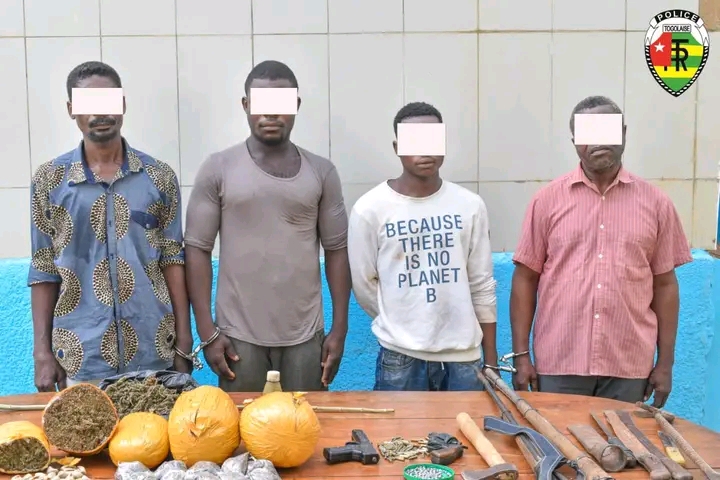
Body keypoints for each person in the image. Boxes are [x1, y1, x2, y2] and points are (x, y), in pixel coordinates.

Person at [510, 95, 692, 407]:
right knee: (558, 438)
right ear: (574, 141)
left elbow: (665, 285)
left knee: (623, 440)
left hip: (629, 363)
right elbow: (525, 279)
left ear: (623, 133)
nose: (597, 141)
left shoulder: (657, 204)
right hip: (560, 360)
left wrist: (666, 364)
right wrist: (521, 356)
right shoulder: (546, 201)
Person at [184, 60, 350, 392]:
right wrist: (207, 331)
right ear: (245, 105)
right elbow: (196, 249)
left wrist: (340, 329)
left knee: (304, 421)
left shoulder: (322, 172)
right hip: (238, 339)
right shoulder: (218, 168)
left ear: (296, 106)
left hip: (305, 338)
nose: (271, 114)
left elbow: (337, 251)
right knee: (239, 423)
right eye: (261, 103)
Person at [28, 61, 193, 392]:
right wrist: (42, 352)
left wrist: (184, 339)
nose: (99, 113)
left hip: (153, 351)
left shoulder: (159, 177)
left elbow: (173, 259)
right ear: (71, 110)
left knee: (153, 429)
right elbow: (44, 267)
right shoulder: (50, 180)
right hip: (81, 356)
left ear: (123, 104)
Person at [348, 101, 498, 391]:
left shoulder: (470, 205)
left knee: (466, 423)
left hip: (464, 358)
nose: (425, 151)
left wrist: (490, 360)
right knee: (400, 424)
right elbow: (364, 284)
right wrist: (401, 322)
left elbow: (481, 284)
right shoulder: (370, 209)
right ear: (397, 147)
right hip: (400, 357)